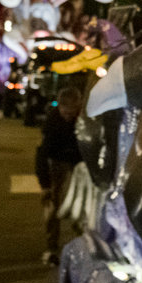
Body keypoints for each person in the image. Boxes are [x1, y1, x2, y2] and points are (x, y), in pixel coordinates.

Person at [36, 87, 83, 266]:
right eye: (66, 113)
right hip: (58, 161)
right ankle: (52, 247)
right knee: (53, 205)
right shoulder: (52, 123)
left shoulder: (84, 119)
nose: (69, 117)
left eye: (73, 112)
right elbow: (42, 156)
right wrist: (45, 185)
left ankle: (83, 243)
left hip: (78, 162)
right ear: (60, 108)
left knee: (82, 206)